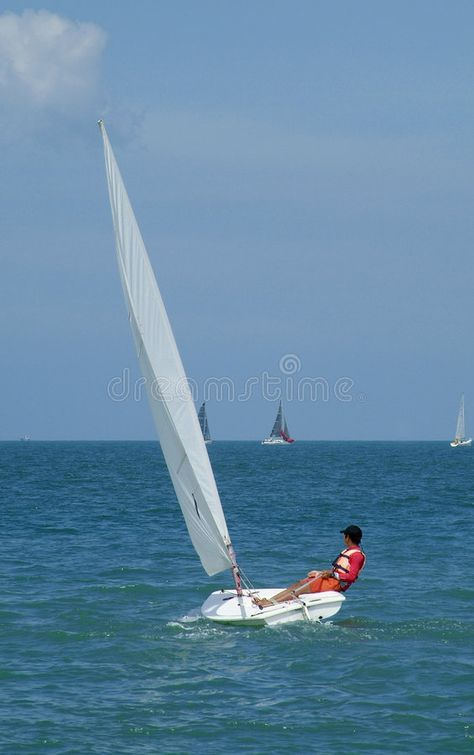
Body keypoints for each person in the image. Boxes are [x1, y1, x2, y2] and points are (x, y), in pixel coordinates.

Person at [253, 525, 366, 608]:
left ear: (348, 537)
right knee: (299, 584)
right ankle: (270, 600)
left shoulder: (356, 556)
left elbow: (351, 577)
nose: (343, 538)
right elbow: (338, 571)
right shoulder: (350, 551)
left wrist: (331, 574)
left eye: (344, 535)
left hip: (335, 585)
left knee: (300, 589)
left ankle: (269, 604)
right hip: (331, 580)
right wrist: (320, 572)